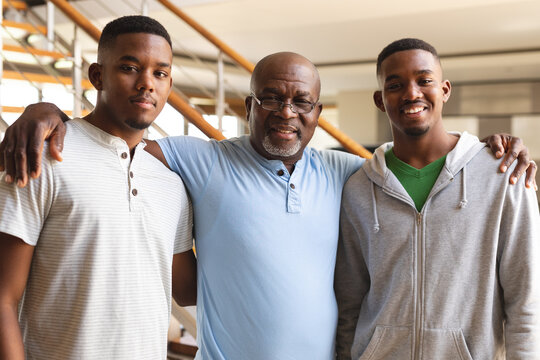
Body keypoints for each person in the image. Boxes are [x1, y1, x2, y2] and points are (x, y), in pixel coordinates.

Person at [0, 52, 536, 360]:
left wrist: (494, 149)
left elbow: (418, 162)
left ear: (318, 111)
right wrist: (47, 113)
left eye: (301, 101)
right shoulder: (200, 159)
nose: (286, 112)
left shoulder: (352, 173)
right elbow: (114, 139)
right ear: (249, 105)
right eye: (271, 99)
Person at [0, 16, 196, 360]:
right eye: (130, 67)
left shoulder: (171, 184)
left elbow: (188, 289)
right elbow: (3, 296)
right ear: (97, 75)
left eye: (160, 73)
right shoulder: (44, 156)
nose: (147, 83)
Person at [335, 38, 540, 360]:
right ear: (380, 99)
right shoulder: (358, 189)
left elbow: (525, 297)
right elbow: (350, 300)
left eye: (424, 80)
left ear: (444, 90)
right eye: (396, 84)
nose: (412, 93)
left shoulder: (503, 174)